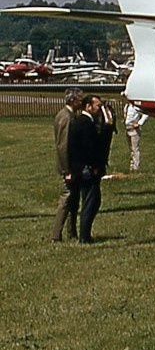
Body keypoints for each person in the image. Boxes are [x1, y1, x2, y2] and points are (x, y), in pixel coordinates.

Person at [69, 95, 116, 244]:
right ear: (88, 107)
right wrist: (94, 166)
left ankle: (85, 234)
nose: (99, 109)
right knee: (90, 201)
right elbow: (90, 148)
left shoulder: (83, 122)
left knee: (92, 200)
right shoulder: (85, 123)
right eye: (97, 106)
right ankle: (84, 236)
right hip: (87, 169)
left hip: (83, 168)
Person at [51, 87, 85, 243]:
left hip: (71, 165)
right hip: (69, 167)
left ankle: (72, 232)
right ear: (72, 100)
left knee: (73, 200)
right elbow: (63, 145)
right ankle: (56, 235)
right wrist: (67, 170)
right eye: (80, 99)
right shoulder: (67, 118)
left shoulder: (64, 115)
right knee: (66, 200)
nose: (82, 102)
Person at [123, 97, 147, 172]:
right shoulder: (127, 106)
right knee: (131, 148)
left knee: (135, 148)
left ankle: (136, 166)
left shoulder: (136, 107)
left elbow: (145, 114)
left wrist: (139, 123)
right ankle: (132, 165)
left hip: (134, 129)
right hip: (128, 128)